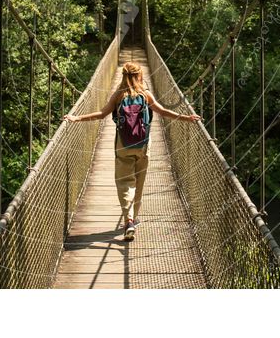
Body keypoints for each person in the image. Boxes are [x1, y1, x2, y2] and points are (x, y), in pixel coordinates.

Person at [63, 62, 200, 240]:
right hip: (143, 144)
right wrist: (186, 118)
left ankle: (128, 219)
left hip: (123, 144)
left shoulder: (118, 96)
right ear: (140, 75)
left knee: (125, 182)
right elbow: (164, 112)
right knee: (139, 181)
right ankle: (134, 218)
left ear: (124, 76)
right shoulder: (145, 94)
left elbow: (101, 114)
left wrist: (76, 118)